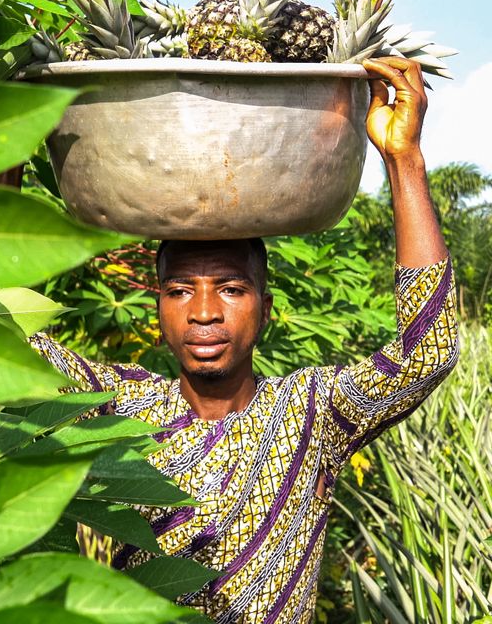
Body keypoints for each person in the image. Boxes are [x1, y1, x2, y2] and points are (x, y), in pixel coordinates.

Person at [30, 56, 459, 624]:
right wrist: (5, 152)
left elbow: (427, 353)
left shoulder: (310, 415)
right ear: (157, 304)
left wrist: (404, 161)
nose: (203, 312)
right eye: (180, 290)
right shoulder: (120, 409)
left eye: (231, 288)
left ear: (266, 307)